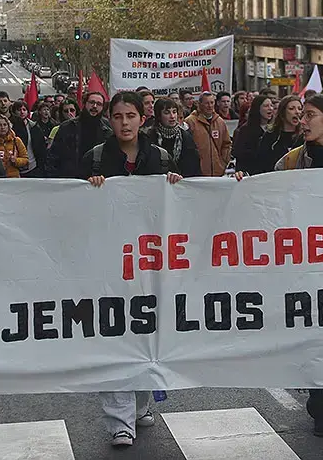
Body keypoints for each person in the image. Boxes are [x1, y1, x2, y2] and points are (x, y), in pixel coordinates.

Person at [235, 93, 323, 437]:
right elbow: (270, 206)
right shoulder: (290, 162)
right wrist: (242, 187)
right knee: (311, 329)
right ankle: (318, 399)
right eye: (301, 115)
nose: (303, 120)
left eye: (310, 114)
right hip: (303, 265)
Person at [78, 91, 183, 448]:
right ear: (110, 119)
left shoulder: (161, 157)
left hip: (152, 265)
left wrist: (177, 186)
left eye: (131, 116)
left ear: (142, 119)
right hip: (108, 265)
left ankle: (141, 402)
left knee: (146, 334)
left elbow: (197, 195)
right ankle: (119, 419)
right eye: (119, 116)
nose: (125, 123)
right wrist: (87, 190)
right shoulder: (94, 159)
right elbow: (64, 204)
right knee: (114, 336)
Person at [47, 92, 112, 178]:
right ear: (85, 104)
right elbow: (53, 156)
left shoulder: (107, 129)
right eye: (92, 102)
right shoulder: (67, 127)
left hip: (97, 181)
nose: (95, 106)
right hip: (70, 180)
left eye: (99, 104)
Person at [145, 96, 201, 177]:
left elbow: (194, 166)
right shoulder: (150, 137)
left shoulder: (186, 136)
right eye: (167, 113)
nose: (172, 116)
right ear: (159, 115)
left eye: (174, 112)